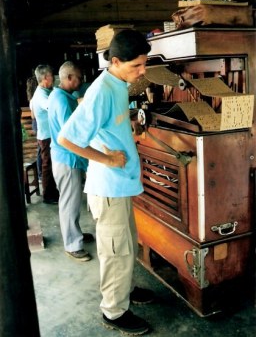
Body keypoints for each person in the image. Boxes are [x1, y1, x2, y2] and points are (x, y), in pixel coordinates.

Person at [58, 29, 154, 335]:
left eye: (144, 64)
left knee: (126, 245)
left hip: (121, 186)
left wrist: (131, 123)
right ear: (115, 61)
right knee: (116, 250)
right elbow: (67, 139)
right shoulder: (102, 90)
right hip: (108, 188)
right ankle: (113, 311)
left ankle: (125, 289)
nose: (143, 71)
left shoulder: (118, 85)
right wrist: (109, 160)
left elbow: (109, 124)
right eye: (137, 65)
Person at [48, 61, 93, 262]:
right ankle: (72, 245)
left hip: (63, 157)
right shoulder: (62, 101)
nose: (81, 81)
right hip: (67, 159)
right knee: (70, 203)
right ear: (68, 78)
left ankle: (76, 235)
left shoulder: (61, 95)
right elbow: (71, 133)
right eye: (78, 78)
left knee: (70, 201)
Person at [31, 64, 59, 204]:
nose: (53, 78)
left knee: (51, 164)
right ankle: (48, 195)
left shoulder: (47, 90)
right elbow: (52, 107)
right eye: (50, 76)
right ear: (44, 78)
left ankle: (53, 192)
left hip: (49, 134)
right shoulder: (41, 95)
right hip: (46, 136)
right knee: (47, 165)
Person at [26, 71, 42, 181]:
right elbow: (33, 115)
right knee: (41, 149)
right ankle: (40, 174)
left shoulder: (32, 99)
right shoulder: (35, 99)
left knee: (40, 149)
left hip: (35, 123)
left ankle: (41, 173)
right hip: (37, 123)